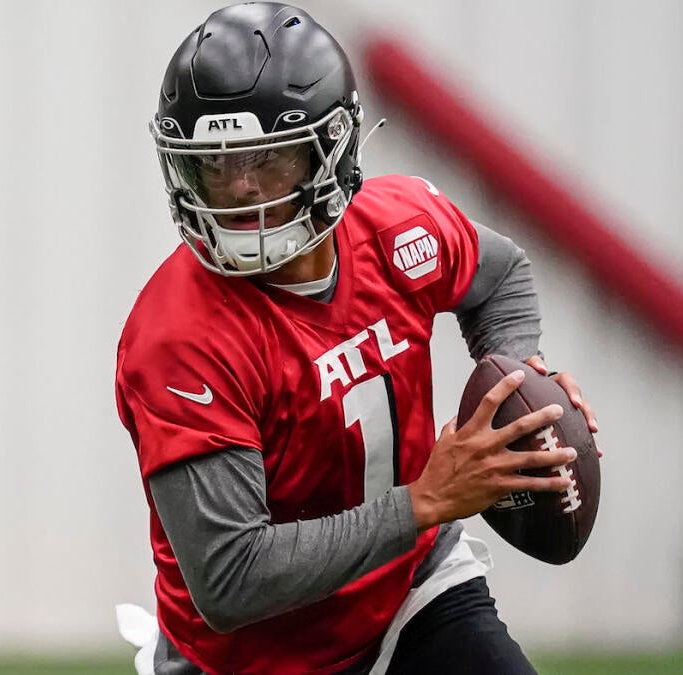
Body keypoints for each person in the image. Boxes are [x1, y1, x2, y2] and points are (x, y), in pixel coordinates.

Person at [114, 3, 599, 673]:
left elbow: (501, 276)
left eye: (266, 158)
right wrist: (426, 497)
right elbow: (230, 579)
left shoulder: (401, 231)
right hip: (248, 659)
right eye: (216, 165)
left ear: (332, 147)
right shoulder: (180, 335)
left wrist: (516, 385)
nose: (238, 188)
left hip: (410, 592)